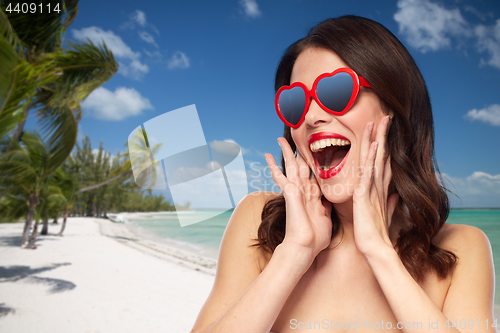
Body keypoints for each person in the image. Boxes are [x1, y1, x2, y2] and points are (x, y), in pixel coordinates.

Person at [190, 15, 495, 333]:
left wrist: (380, 254)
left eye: (335, 91)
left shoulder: (461, 249)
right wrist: (294, 253)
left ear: (395, 108)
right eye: (296, 103)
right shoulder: (259, 221)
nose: (311, 116)